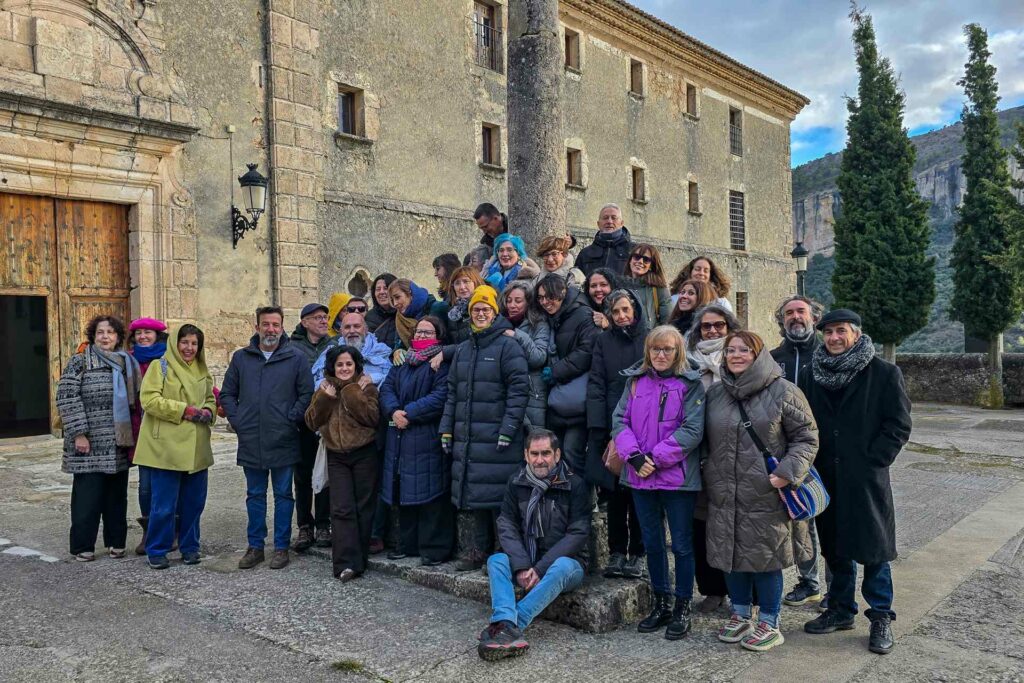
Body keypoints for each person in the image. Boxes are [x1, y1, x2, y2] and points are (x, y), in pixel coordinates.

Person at [800, 309, 911, 655]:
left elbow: (898, 424)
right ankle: (840, 609)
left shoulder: (884, 373)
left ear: (857, 334)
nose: (834, 338)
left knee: (875, 549)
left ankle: (880, 616)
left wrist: (874, 460)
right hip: (825, 476)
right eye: (828, 332)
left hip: (865, 478)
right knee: (834, 547)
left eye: (841, 331)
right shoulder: (811, 374)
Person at [703, 331, 818, 652]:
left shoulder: (784, 391)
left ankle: (770, 621)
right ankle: (741, 614)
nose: (736, 355)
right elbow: (704, 439)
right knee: (730, 555)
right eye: (730, 350)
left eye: (744, 350)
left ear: (758, 355)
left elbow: (807, 438)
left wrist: (786, 473)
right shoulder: (717, 394)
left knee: (766, 559)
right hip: (724, 491)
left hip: (767, 492)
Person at [613, 325, 705, 640]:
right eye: (656, 348)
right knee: (652, 544)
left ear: (678, 352)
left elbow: (692, 429)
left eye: (668, 349)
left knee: (681, 545)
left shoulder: (690, 385)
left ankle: (683, 605)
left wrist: (655, 457)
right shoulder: (635, 382)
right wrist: (634, 456)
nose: (661, 354)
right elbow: (620, 421)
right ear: (648, 351)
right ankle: (661, 601)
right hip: (640, 477)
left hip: (677, 479)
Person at [477, 429, 591, 662]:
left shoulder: (575, 485)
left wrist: (540, 568)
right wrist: (521, 566)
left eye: (546, 453)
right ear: (526, 455)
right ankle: (506, 622)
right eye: (534, 454)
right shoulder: (516, 482)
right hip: (527, 560)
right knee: (496, 560)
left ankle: (509, 625)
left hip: (567, 565)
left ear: (557, 455)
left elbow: (578, 534)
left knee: (561, 566)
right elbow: (506, 524)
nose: (540, 460)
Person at [440, 285, 529, 572]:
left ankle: (502, 553)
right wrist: (447, 429)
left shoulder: (508, 346)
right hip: (469, 435)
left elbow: (519, 390)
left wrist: (509, 428)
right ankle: (478, 550)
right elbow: (452, 393)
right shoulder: (464, 349)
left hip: (497, 433)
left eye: (486, 309)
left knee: (500, 498)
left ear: (494, 312)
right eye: (476, 309)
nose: (480, 313)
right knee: (476, 495)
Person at [221, 306, 313, 571]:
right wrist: (238, 421)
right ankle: (255, 547)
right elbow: (227, 394)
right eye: (266, 324)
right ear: (257, 327)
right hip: (252, 438)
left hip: (284, 437)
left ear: (282, 328)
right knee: (255, 495)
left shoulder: (295, 358)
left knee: (284, 494)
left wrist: (291, 418)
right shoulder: (241, 358)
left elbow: (306, 394)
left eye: (275, 324)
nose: (270, 329)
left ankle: (281, 547)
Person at [57, 315, 141, 562]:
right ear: (93, 336)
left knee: (116, 496)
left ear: (118, 337)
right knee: (87, 498)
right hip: (89, 442)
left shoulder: (127, 363)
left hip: (117, 441)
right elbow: (67, 397)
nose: (105, 337)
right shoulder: (80, 361)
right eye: (100, 332)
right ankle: (83, 546)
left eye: (110, 332)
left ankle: (116, 542)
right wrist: (79, 433)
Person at [133, 324, 216, 570]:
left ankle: (190, 547)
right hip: (166, 447)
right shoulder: (160, 366)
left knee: (194, 503)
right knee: (163, 505)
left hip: (196, 447)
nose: (189, 348)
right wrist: (184, 411)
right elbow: (149, 399)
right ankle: (157, 549)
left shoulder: (202, 369)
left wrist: (208, 411)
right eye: (184, 342)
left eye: (194, 343)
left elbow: (210, 398)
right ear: (174, 343)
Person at [378, 317, 453, 565]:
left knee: (431, 494)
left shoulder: (440, 362)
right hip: (400, 437)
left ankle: (434, 549)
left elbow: (441, 395)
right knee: (404, 493)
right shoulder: (403, 361)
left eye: (427, 332)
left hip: (426, 435)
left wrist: (408, 413)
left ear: (438, 336)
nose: (421, 336)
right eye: (418, 332)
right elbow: (387, 389)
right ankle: (407, 545)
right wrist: (393, 411)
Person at [770, 295, 828, 608]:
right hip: (788, 452)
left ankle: (836, 590)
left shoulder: (826, 353)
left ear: (814, 318)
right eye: (789, 313)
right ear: (782, 320)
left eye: (801, 312)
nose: (795, 317)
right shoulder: (772, 358)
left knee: (833, 522)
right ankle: (809, 582)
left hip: (827, 449)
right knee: (802, 518)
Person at [304, 345, 381, 582]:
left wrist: (351, 391)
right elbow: (311, 422)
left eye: (349, 364)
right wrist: (325, 398)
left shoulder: (365, 387)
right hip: (336, 455)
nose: (345, 368)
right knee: (341, 508)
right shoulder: (325, 388)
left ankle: (360, 560)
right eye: (340, 364)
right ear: (332, 367)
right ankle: (345, 563)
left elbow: (372, 417)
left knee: (363, 506)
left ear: (356, 366)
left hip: (363, 452)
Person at [685, 303, 742, 613]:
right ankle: (712, 589)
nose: (712, 331)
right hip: (697, 454)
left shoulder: (740, 358)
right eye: (706, 326)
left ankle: (742, 595)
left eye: (719, 325)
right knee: (701, 524)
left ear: (729, 327)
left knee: (734, 526)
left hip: (733, 455)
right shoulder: (688, 361)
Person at [586, 289, 647, 579]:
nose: (621, 316)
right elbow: (597, 383)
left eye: (625, 310)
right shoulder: (603, 341)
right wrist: (599, 427)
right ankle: (616, 551)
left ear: (635, 310)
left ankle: (638, 552)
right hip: (614, 424)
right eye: (616, 312)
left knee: (640, 493)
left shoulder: (649, 339)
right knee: (614, 493)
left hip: (644, 425)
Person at [536, 274, 599, 478]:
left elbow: (587, 351)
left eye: (549, 296)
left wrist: (556, 371)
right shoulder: (553, 316)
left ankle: (581, 496)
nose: (545, 302)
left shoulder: (582, 314)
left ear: (562, 293)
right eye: (541, 297)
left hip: (577, 399)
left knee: (572, 453)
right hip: (559, 398)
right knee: (557, 454)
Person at [290, 303, 334, 552]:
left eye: (325, 317)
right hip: (302, 420)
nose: (323, 321)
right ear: (304, 322)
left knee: (324, 473)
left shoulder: (333, 345)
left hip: (325, 419)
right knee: (303, 475)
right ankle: (305, 526)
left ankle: (323, 525)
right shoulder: (292, 348)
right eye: (317, 317)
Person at [127, 316, 168, 555]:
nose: (143, 337)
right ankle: (149, 531)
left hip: (167, 429)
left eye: (147, 332)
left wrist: (218, 400)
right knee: (146, 486)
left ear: (157, 335)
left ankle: (172, 529)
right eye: (138, 333)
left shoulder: (169, 358)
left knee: (171, 482)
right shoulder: (127, 360)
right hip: (141, 430)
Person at [500, 282, 551, 429]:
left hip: (532, 392)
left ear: (528, 302)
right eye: (509, 300)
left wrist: (517, 335)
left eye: (518, 301)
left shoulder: (539, 324)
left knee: (533, 435)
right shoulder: (500, 324)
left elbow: (538, 358)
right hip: (505, 390)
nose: (512, 305)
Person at [312, 313, 393, 388]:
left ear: (365, 329)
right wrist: (321, 382)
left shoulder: (381, 351)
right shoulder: (330, 352)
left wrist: (374, 378)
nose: (352, 331)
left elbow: (393, 378)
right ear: (341, 331)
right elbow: (315, 377)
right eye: (347, 327)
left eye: (357, 326)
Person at [434, 265, 486, 363]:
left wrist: (446, 352)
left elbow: (479, 342)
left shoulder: (486, 308)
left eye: (466, 281)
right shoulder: (453, 313)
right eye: (457, 283)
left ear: (476, 282)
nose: (462, 287)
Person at [622, 243, 672, 329]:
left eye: (646, 259)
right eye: (637, 257)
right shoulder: (619, 284)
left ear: (651, 265)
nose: (640, 261)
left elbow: (667, 322)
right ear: (630, 260)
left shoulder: (659, 288)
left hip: (649, 336)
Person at [576, 204, 634, 276]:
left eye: (614, 218)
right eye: (605, 218)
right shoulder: (585, 253)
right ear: (598, 224)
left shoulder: (633, 251)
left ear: (622, 223)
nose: (609, 221)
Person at [388, 279, 439, 353]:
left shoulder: (436, 308)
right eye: (392, 300)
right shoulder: (400, 318)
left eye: (397, 297)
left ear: (410, 294)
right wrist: (398, 351)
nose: (395, 303)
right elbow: (399, 343)